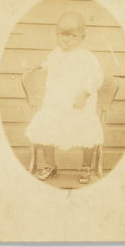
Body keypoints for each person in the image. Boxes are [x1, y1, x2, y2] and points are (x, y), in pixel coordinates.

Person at [25, 12, 104, 184]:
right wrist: (40, 66)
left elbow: (96, 76)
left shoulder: (86, 57)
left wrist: (84, 95)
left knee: (86, 133)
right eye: (60, 34)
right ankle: (50, 166)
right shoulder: (55, 54)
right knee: (47, 129)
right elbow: (51, 65)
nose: (65, 40)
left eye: (71, 35)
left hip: (78, 105)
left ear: (82, 37)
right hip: (56, 105)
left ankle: (85, 167)